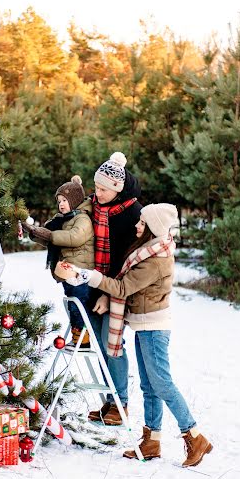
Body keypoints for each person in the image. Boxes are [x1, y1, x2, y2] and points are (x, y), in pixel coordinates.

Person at [56, 203, 213, 467]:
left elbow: (122, 287)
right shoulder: (147, 250)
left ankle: (194, 435)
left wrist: (87, 276)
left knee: (161, 383)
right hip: (142, 323)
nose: (137, 226)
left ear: (153, 229)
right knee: (149, 386)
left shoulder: (156, 259)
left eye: (142, 223)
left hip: (153, 326)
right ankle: (151, 440)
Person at [87, 152, 142, 425]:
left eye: (103, 189)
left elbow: (129, 258)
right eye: (95, 187)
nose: (97, 193)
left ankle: (121, 403)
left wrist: (110, 295)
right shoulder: (95, 206)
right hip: (95, 281)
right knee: (98, 343)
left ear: (117, 189)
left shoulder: (132, 212)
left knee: (113, 344)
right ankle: (109, 401)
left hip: (119, 288)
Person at [23, 175, 94, 349]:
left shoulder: (82, 218)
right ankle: (78, 336)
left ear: (75, 200)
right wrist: (34, 232)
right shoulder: (61, 220)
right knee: (72, 304)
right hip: (67, 271)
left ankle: (83, 339)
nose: (61, 204)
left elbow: (74, 237)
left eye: (65, 200)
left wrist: (50, 235)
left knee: (79, 305)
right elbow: (49, 237)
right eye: (59, 200)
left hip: (80, 271)